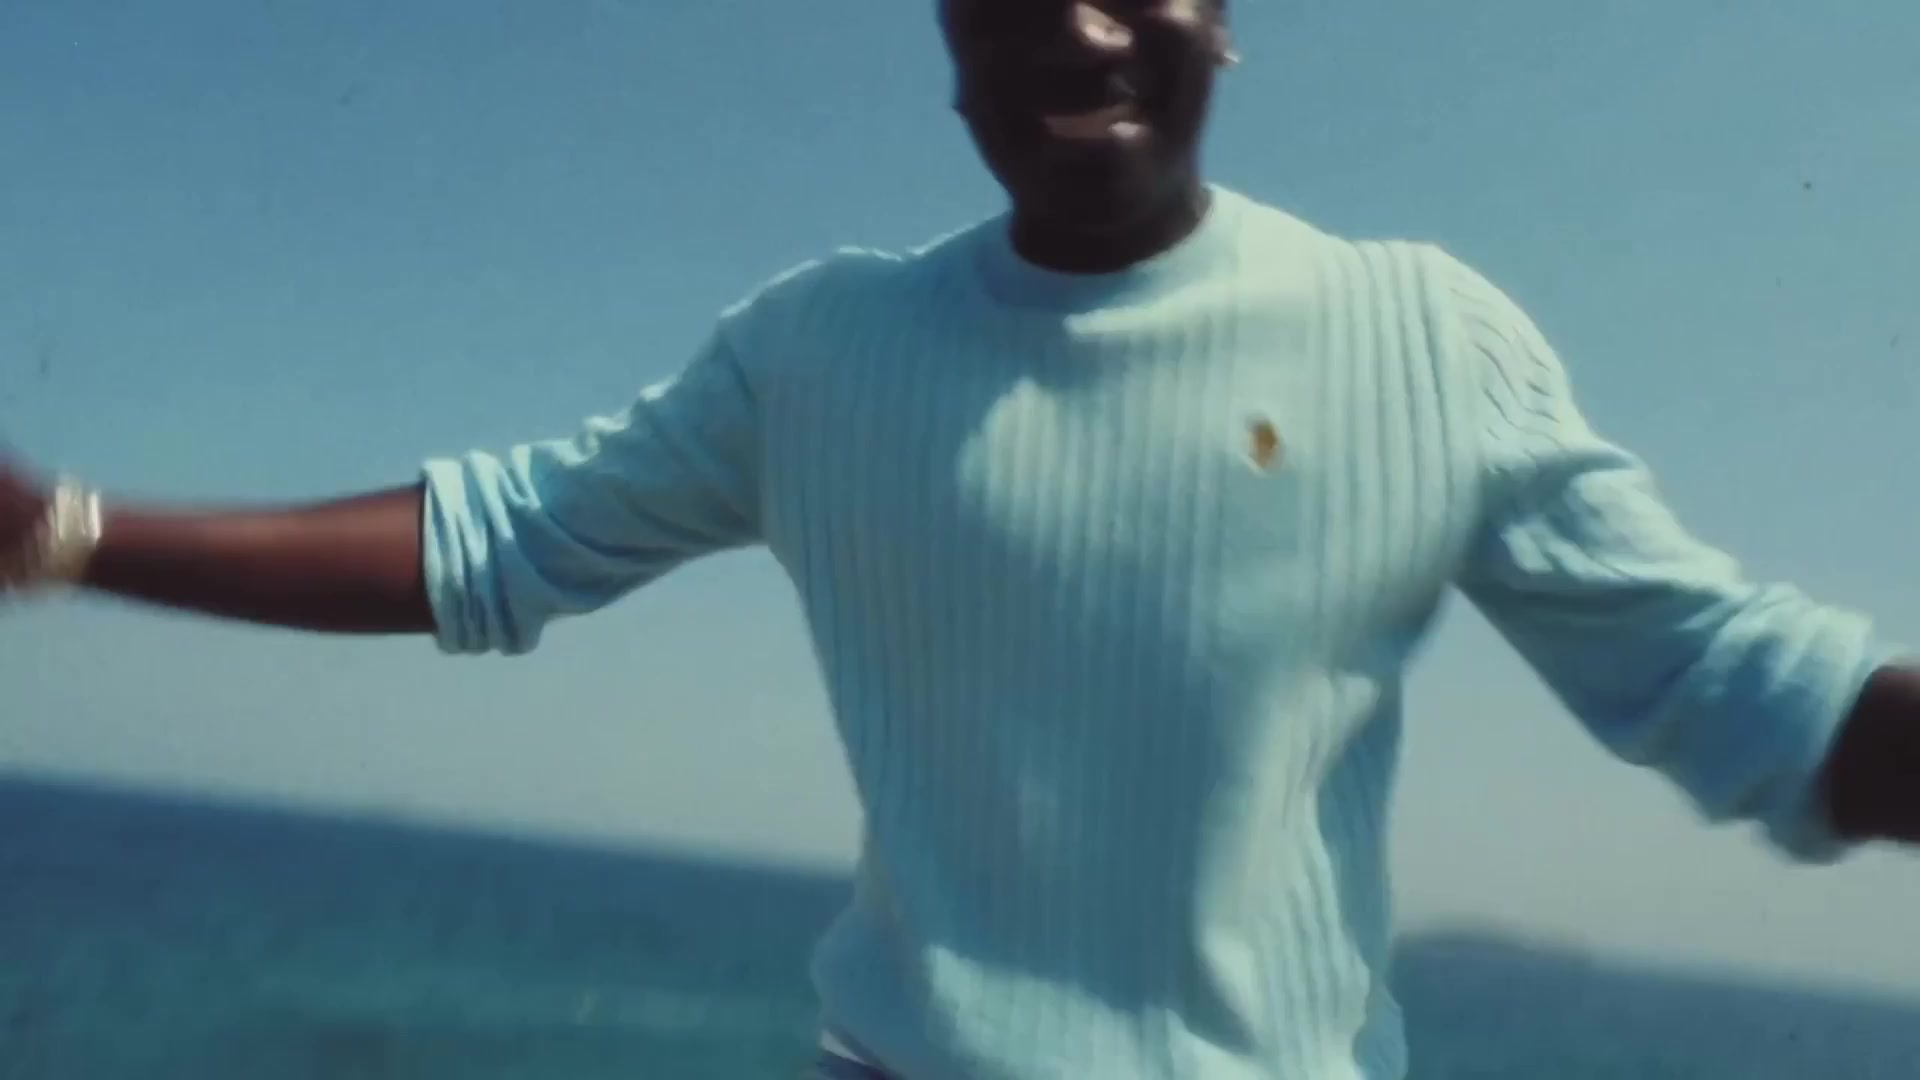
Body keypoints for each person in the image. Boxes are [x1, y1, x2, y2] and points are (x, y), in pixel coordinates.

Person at [2, 1, 1915, 1077]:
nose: (1078, 24)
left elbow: (1733, 681)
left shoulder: (1423, 335)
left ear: (1222, 20)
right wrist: (68, 532)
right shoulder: (819, 356)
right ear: (946, 42)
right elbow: (500, 542)